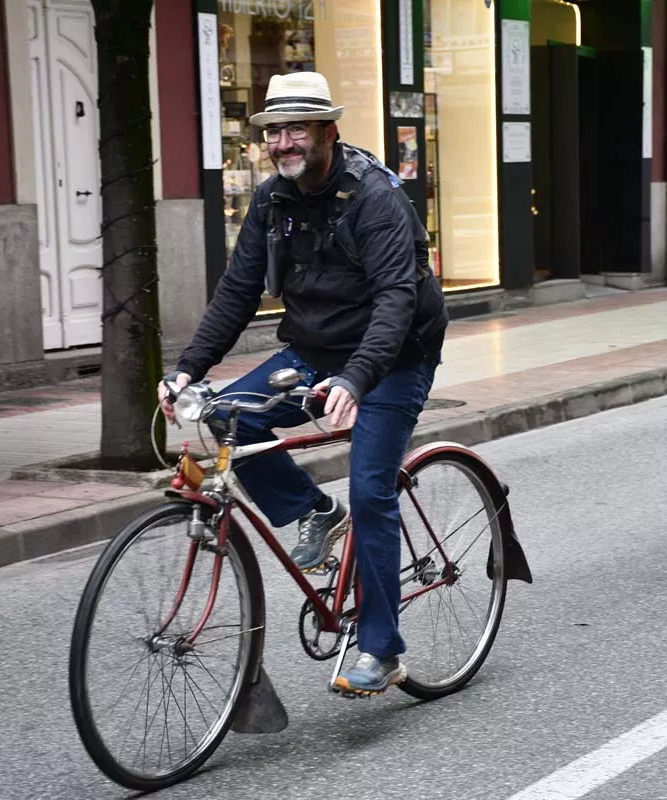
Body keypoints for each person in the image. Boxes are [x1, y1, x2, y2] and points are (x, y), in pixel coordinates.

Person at [161, 72, 447, 696]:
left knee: (373, 491)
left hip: (394, 355)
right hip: (317, 348)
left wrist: (357, 376)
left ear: (328, 132)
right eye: (275, 132)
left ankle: (382, 648)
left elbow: (397, 298)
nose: (284, 142)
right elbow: (237, 292)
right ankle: (315, 510)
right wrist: (188, 368)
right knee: (222, 419)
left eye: (297, 130)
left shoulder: (375, 197)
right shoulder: (272, 200)